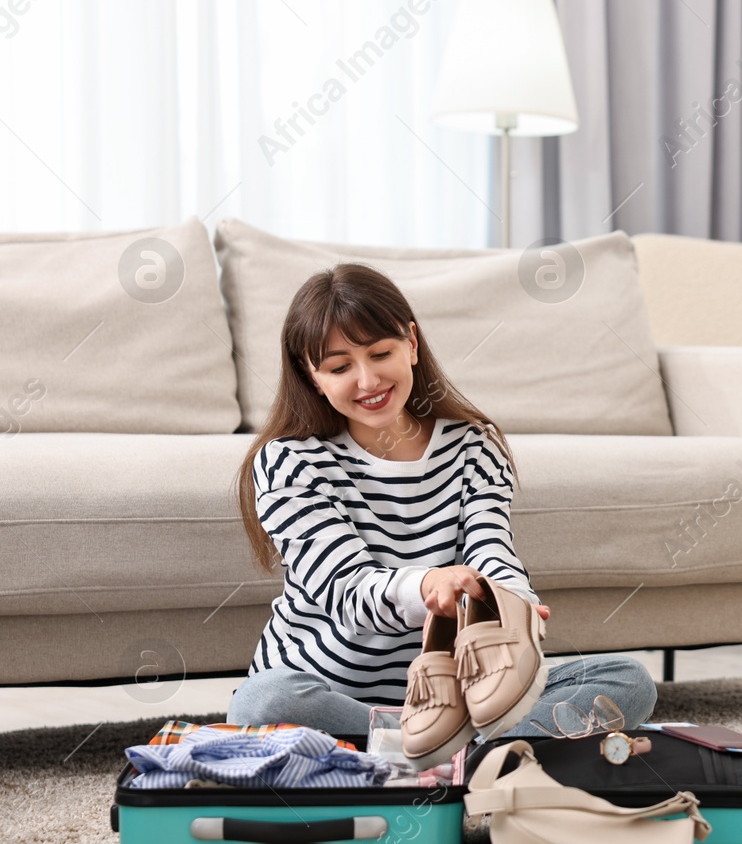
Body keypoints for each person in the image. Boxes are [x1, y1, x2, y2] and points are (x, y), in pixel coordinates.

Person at [227, 262, 656, 736]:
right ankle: (473, 751)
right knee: (263, 701)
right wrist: (430, 584)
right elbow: (347, 593)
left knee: (628, 680)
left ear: (411, 343)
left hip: (456, 699)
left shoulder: (474, 446)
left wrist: (511, 603)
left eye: (380, 352)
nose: (367, 381)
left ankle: (436, 750)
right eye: (340, 366)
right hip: (333, 699)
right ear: (313, 377)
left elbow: (492, 549)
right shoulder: (290, 461)